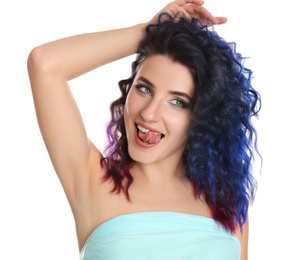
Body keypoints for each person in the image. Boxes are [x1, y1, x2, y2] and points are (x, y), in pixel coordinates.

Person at [27, 0, 260, 259]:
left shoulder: (226, 203)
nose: (149, 113)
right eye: (145, 89)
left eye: (177, 102)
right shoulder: (90, 180)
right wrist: (149, 30)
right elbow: (44, 64)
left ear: (203, 117)